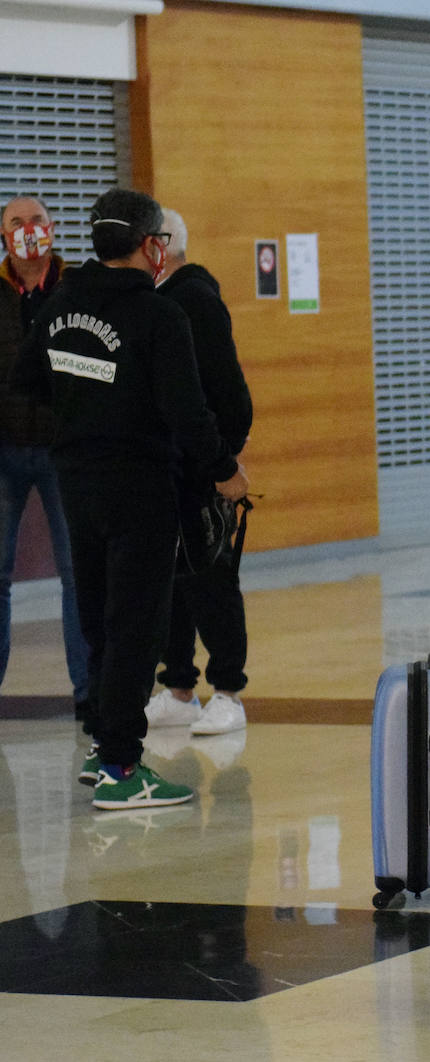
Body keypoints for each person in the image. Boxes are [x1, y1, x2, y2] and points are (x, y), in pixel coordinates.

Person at [11, 188, 248, 810]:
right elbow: (187, 412)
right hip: (139, 488)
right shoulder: (157, 315)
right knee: (136, 625)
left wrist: (85, 397)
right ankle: (121, 766)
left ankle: (102, 745)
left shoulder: (62, 302)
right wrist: (225, 471)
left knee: (97, 617)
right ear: (150, 244)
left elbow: (27, 379)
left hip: (76, 483)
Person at [142, 208, 254, 736]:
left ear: (161, 245)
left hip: (200, 469)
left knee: (212, 578)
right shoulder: (155, 302)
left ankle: (228, 689)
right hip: (163, 470)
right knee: (173, 583)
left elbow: (231, 396)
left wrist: (221, 463)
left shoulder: (196, 303)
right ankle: (179, 686)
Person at [0, 195, 90, 720]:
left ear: (52, 230)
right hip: (5, 450)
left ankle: (88, 692)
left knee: (78, 572)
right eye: (17, 223)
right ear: (3, 237)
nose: (28, 230)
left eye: (37, 221)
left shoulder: (77, 287)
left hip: (65, 451)